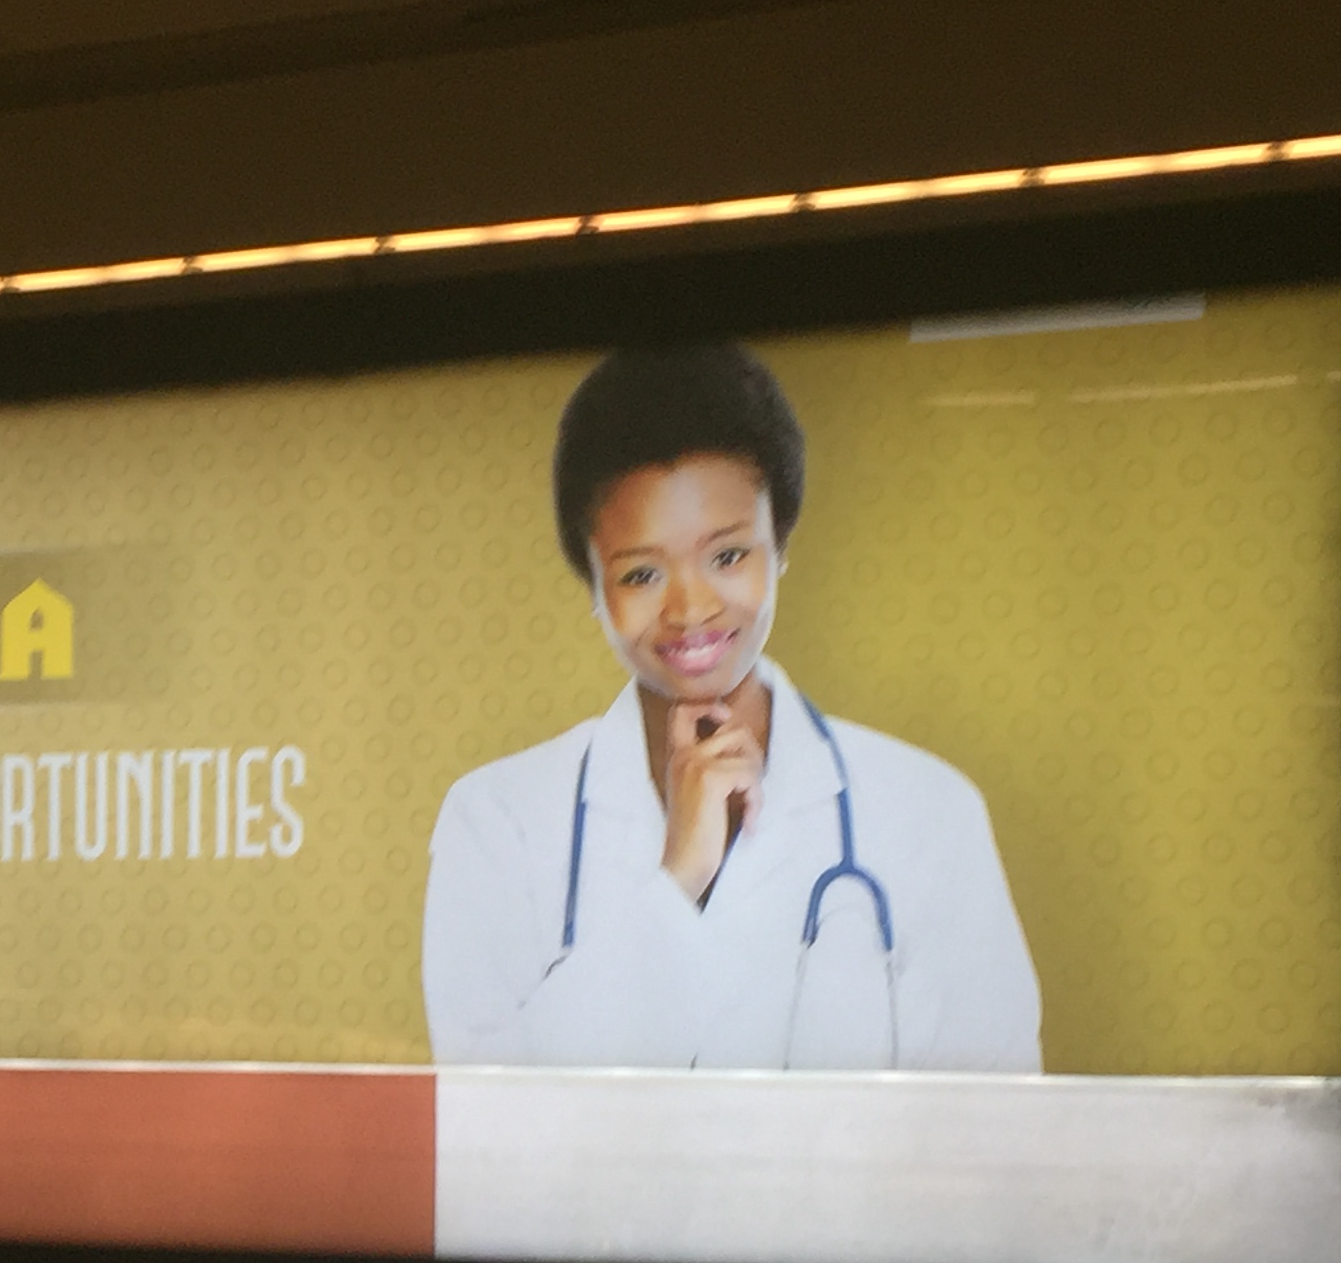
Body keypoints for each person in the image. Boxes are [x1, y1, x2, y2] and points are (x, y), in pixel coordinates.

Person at [421, 343, 1040, 1071]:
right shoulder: (495, 822)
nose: (691, 609)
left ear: (781, 546)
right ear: (592, 583)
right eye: (641, 574)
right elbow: (482, 1115)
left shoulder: (931, 813)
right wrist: (676, 880)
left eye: (728, 556)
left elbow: (994, 1118)